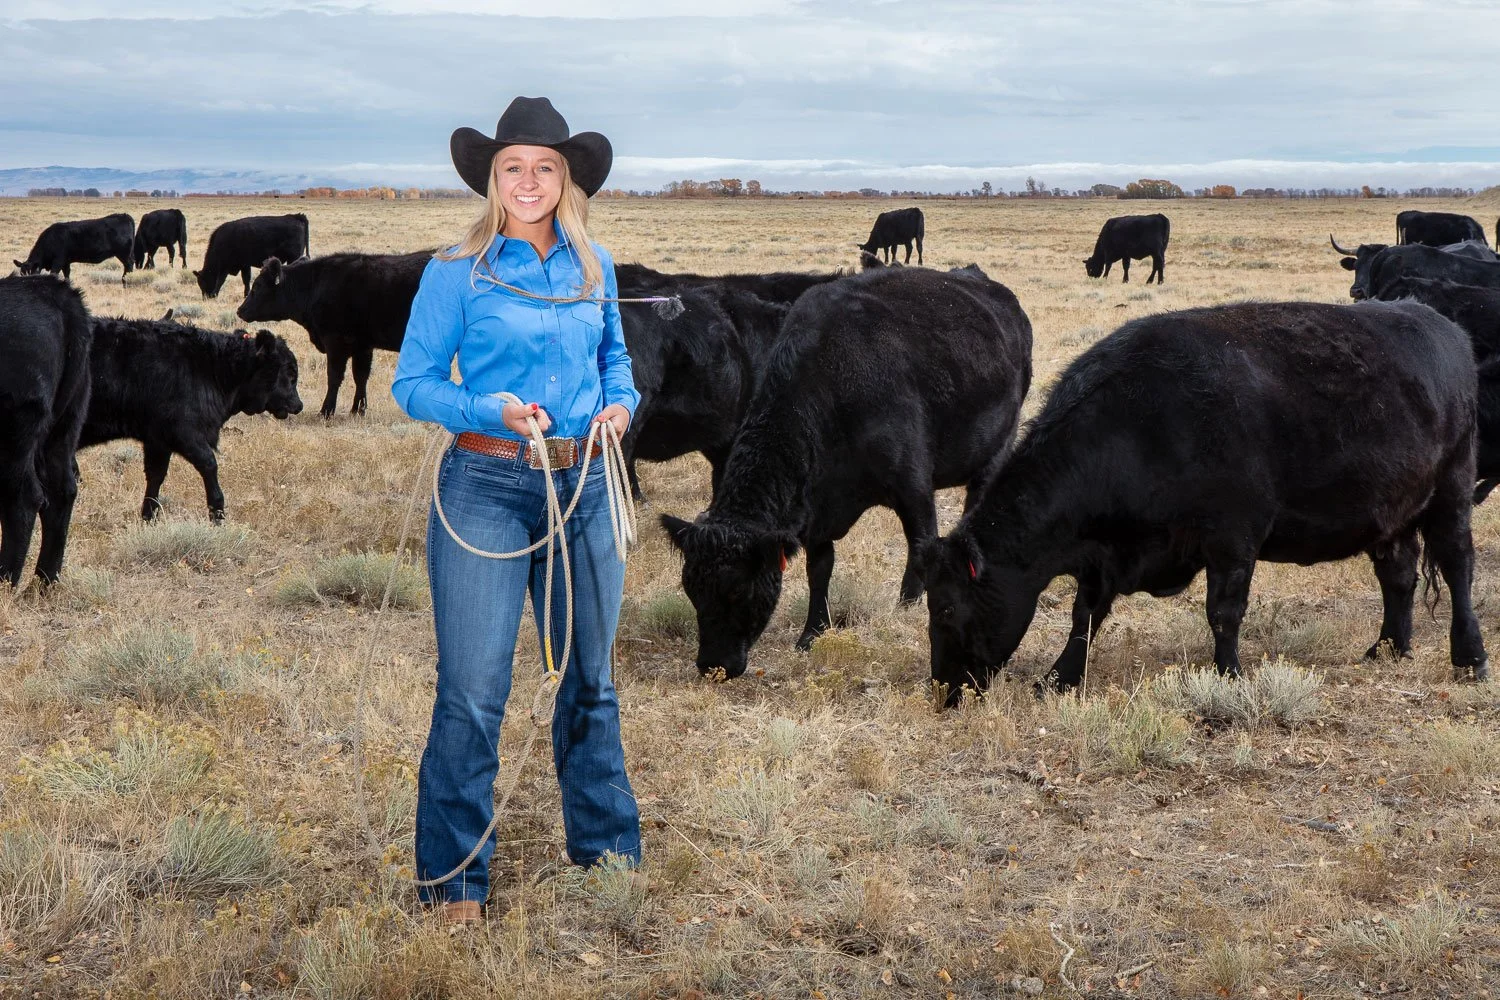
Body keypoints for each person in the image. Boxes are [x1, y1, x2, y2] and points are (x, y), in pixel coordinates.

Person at [392, 96, 641, 924]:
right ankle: (456, 880)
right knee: (472, 689)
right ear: (491, 180)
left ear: (565, 179)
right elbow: (413, 383)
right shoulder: (455, 271)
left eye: (543, 168)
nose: (527, 181)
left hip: (586, 486)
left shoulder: (592, 264)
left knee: (591, 682)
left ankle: (609, 856)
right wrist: (486, 408)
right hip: (488, 485)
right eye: (512, 168)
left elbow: (617, 362)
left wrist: (620, 407)